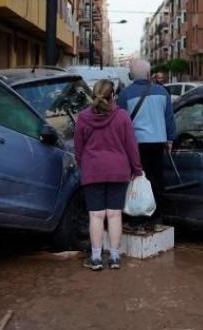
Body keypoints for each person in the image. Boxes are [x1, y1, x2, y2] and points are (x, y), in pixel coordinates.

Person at [74, 79, 143, 271]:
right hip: (118, 171)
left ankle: (96, 259)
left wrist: (83, 164)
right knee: (114, 215)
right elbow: (131, 146)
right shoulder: (122, 117)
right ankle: (114, 258)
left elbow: (78, 148)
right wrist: (137, 169)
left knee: (96, 215)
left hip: (93, 170)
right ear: (113, 95)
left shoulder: (83, 117)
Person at [117, 60, 176, 233]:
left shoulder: (125, 95)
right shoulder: (162, 92)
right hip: (158, 143)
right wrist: (170, 140)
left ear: (131, 75)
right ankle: (156, 220)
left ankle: (137, 222)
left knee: (136, 182)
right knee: (157, 181)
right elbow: (169, 119)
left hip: (135, 145)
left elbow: (121, 123)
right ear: (149, 74)